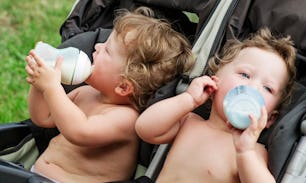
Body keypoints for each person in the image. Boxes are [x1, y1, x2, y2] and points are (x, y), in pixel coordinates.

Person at [25, 7, 194, 183]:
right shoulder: (86, 93)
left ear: (123, 86)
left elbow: (80, 132)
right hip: (35, 176)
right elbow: (43, 118)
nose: (97, 46)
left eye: (107, 50)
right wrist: (39, 86)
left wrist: (52, 88)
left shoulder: (125, 119)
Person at [135, 28, 296, 183]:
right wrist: (189, 99)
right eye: (245, 75)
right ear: (214, 81)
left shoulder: (254, 152)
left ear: (270, 118)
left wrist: (244, 152)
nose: (253, 88)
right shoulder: (189, 122)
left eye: (268, 88)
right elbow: (145, 128)